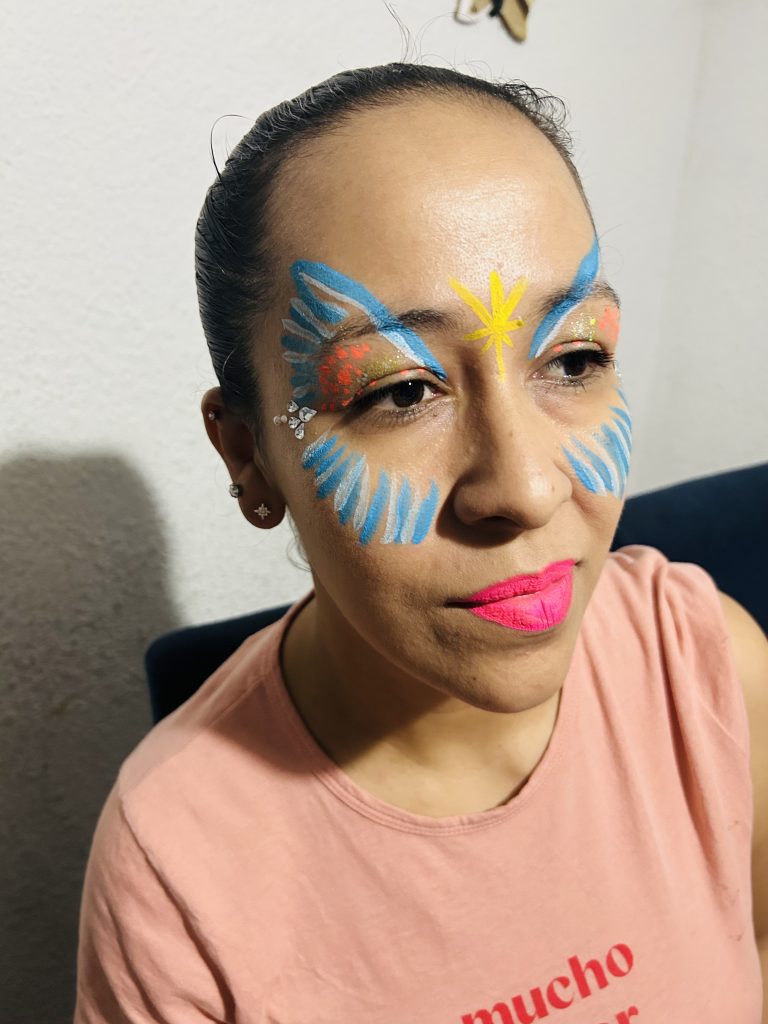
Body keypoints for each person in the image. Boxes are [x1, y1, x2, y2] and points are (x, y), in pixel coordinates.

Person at [74, 64, 768, 1022]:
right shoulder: (174, 873)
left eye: (573, 359)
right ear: (249, 456)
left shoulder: (705, 662)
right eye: (400, 391)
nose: (526, 489)